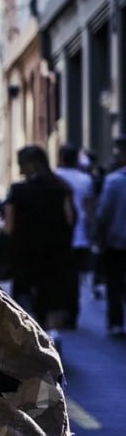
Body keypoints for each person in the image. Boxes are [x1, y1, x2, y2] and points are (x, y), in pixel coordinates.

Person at [3, 145, 75, 344]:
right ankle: (53, 338)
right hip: (55, 253)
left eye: (21, 164)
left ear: (30, 164)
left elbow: (9, 226)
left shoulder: (17, 191)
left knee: (26, 296)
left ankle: (32, 342)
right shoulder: (61, 187)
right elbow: (70, 220)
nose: (20, 169)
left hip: (25, 253)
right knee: (52, 298)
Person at [54, 143, 95, 327]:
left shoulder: (54, 177)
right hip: (80, 235)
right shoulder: (85, 179)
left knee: (59, 274)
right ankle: (73, 312)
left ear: (61, 158)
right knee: (74, 276)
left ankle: (60, 311)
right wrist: (92, 233)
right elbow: (89, 209)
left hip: (60, 234)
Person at [95, 137, 126, 336]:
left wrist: (99, 238)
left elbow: (103, 214)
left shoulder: (114, 181)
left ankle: (116, 321)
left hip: (117, 242)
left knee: (114, 282)